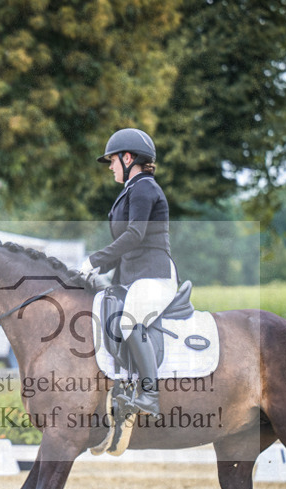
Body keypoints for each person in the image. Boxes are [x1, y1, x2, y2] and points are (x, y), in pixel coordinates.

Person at [79, 128, 177, 417]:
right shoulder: (132, 190)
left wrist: (95, 259)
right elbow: (126, 247)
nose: (110, 167)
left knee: (128, 323)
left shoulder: (145, 189)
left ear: (128, 158)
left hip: (154, 275)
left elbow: (135, 235)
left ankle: (149, 395)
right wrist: (96, 270)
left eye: (112, 161)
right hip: (136, 275)